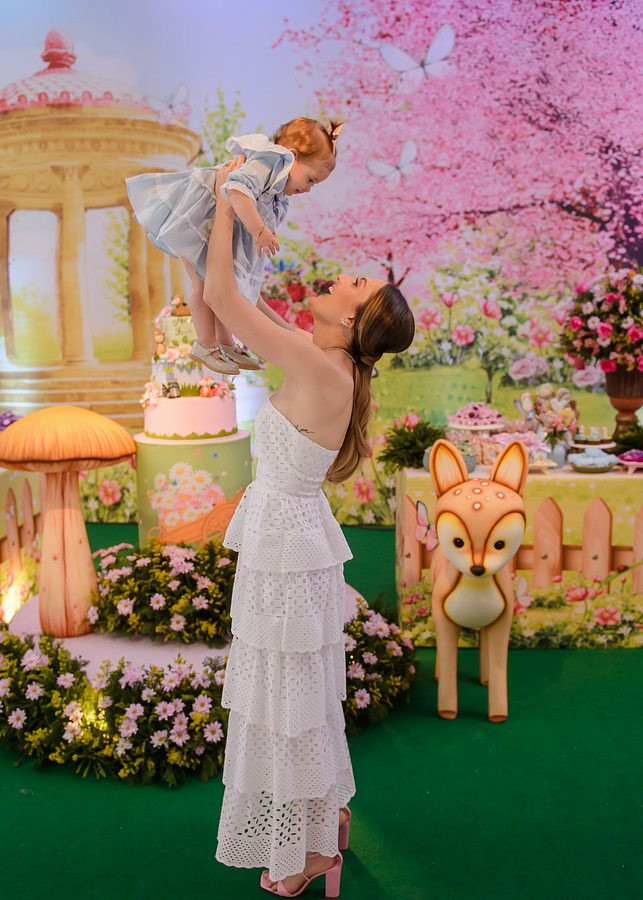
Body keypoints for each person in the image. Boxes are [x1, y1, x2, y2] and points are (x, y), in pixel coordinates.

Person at [206, 158, 415, 897]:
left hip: (286, 546)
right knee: (296, 697)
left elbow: (220, 298)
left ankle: (308, 853)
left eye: (353, 284)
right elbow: (246, 308)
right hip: (289, 539)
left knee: (287, 701)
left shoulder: (322, 367)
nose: (338, 278)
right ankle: (324, 824)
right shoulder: (329, 365)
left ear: (354, 321)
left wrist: (226, 198)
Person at [126, 117, 341, 375]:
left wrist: (263, 227)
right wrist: (258, 229)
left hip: (213, 219)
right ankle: (205, 344)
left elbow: (258, 206)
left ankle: (226, 343)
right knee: (203, 285)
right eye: (310, 179)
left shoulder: (278, 184)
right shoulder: (270, 162)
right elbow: (237, 189)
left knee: (225, 285)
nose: (308, 189)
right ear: (291, 156)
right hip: (200, 214)